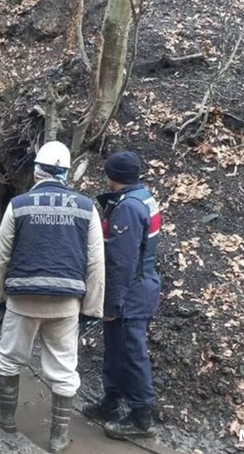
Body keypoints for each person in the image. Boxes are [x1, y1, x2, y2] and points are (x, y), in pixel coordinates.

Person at [0, 141, 105, 454]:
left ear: (37, 170)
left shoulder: (20, 204)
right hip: (66, 303)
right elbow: (95, 261)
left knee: (8, 358)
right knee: (64, 370)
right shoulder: (85, 207)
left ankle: (7, 420)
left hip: (23, 300)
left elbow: (0, 256)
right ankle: (58, 438)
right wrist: (92, 308)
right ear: (65, 173)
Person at [83, 151, 162, 440]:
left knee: (131, 353)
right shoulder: (143, 196)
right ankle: (111, 401)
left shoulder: (128, 208)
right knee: (116, 349)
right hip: (140, 285)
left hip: (131, 294)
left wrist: (113, 303)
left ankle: (142, 418)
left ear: (110, 175)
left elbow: (122, 261)